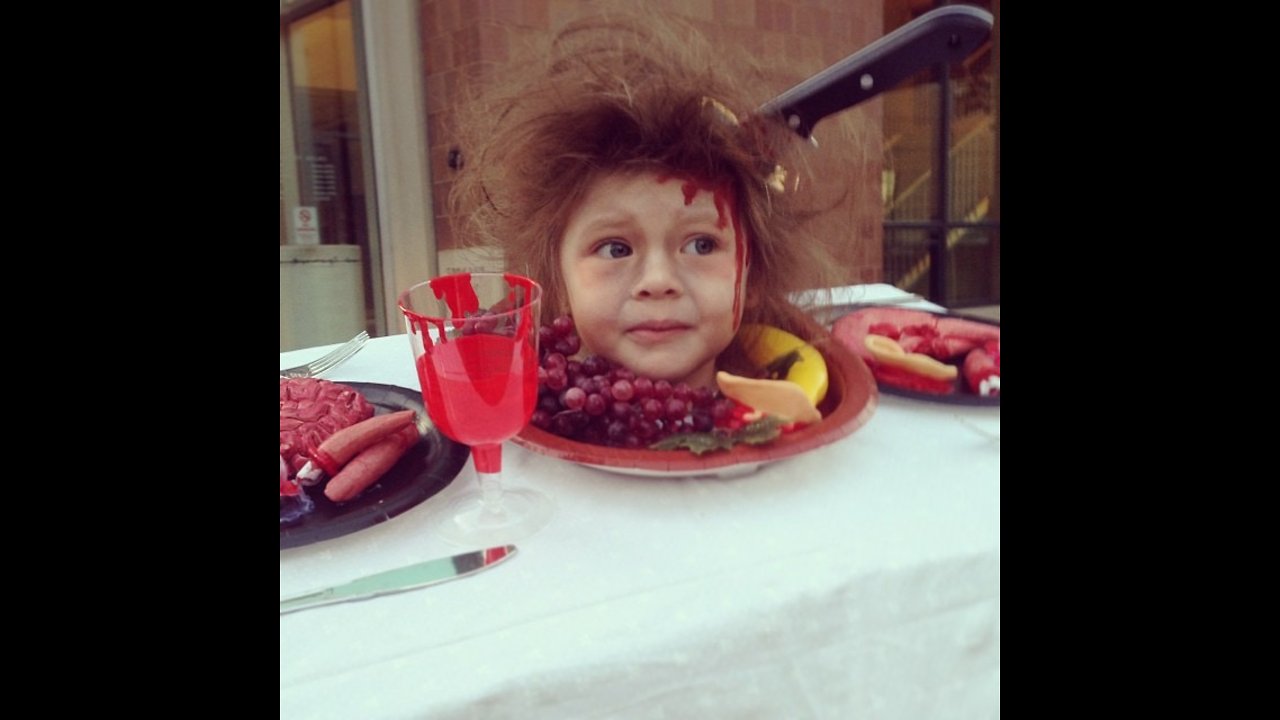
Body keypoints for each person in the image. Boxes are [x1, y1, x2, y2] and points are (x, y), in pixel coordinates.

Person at [447, 10, 849, 391]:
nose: (658, 282)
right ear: (558, 283)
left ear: (753, 276)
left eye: (702, 244)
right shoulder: (519, 421)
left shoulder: (810, 398)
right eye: (615, 248)